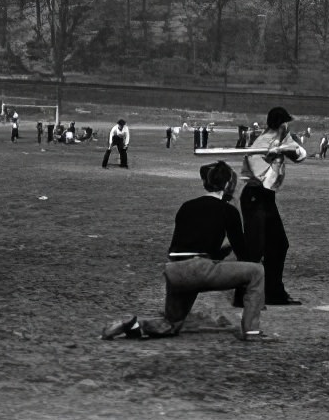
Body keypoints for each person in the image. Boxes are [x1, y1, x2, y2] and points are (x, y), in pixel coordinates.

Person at [101, 162, 275, 343]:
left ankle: (133, 325)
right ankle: (252, 332)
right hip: (199, 269)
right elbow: (243, 253)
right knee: (257, 272)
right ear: (226, 185)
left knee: (171, 325)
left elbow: (189, 242)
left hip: (175, 270)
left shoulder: (186, 206)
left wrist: (218, 253)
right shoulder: (228, 210)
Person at [236, 106, 308, 306]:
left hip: (267, 198)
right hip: (254, 196)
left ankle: (273, 292)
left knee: (278, 244)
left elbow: (302, 155)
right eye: (286, 122)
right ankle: (243, 295)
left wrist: (284, 149)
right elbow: (267, 181)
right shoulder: (259, 146)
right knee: (254, 248)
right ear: (281, 124)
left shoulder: (283, 138)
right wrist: (275, 159)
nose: (288, 126)